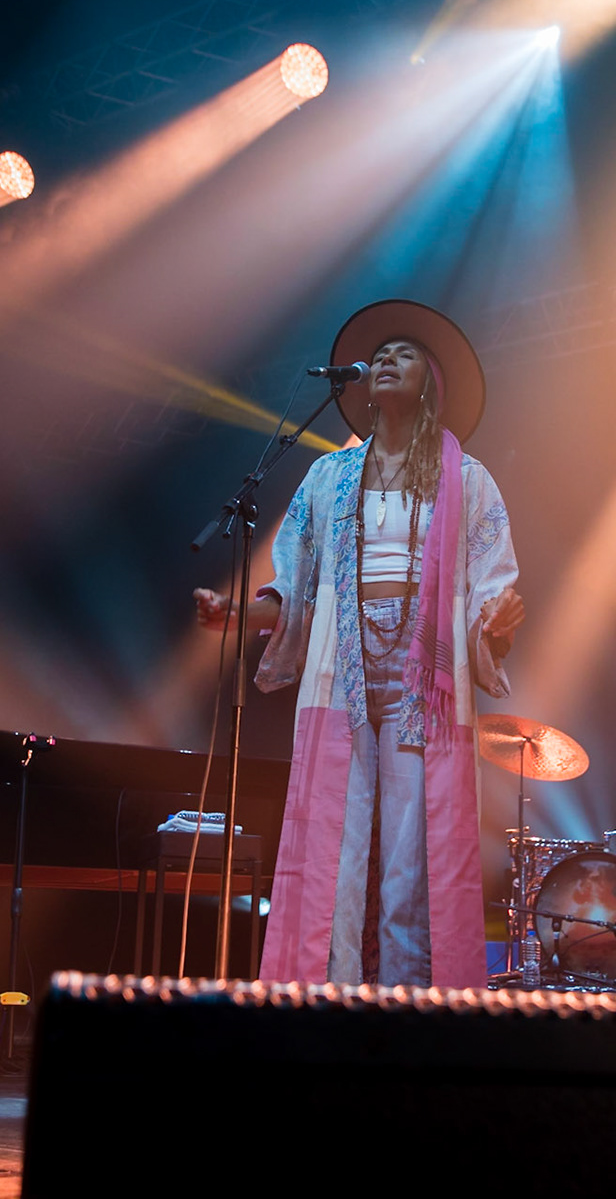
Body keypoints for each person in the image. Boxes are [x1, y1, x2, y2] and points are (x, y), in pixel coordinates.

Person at [194, 300, 523, 988]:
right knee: (336, 859)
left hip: (421, 692)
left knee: (411, 866)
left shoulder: (467, 479)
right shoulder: (328, 478)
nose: (383, 361)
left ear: (430, 381)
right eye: (378, 355)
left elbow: (493, 587)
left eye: (403, 354)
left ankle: (410, 1013)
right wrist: (238, 615)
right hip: (341, 683)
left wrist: (497, 622)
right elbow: (296, 589)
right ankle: (331, 1007)